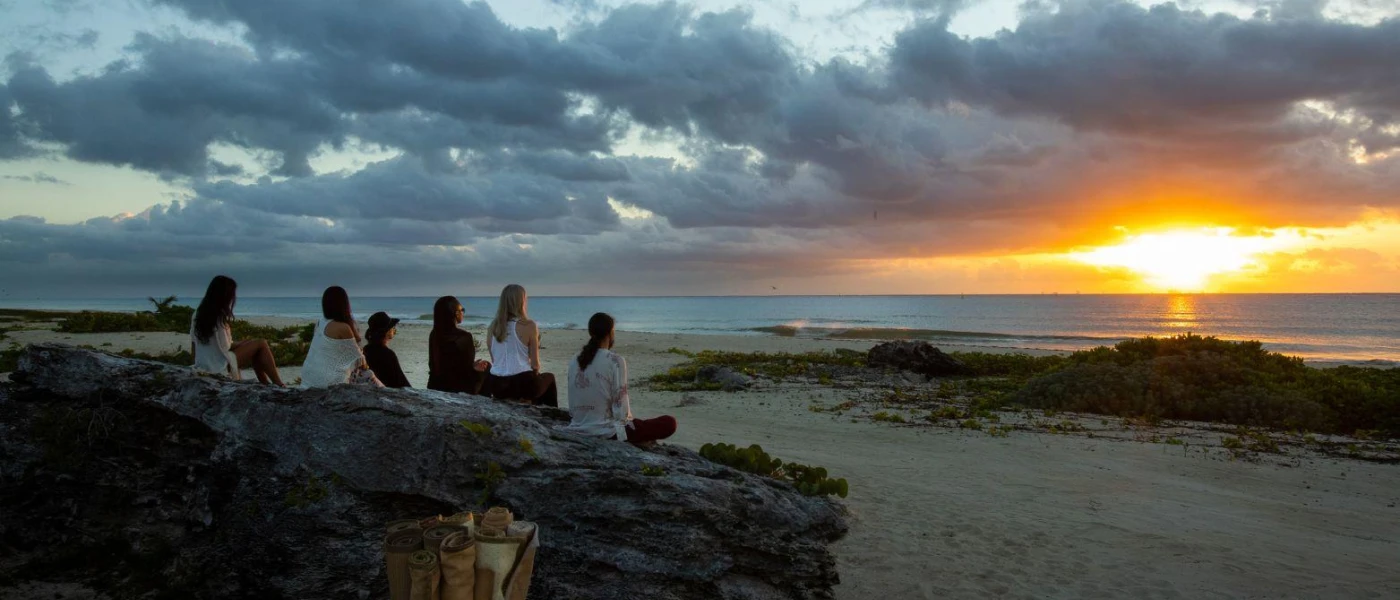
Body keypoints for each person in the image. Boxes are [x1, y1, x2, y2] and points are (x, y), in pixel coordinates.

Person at [563, 313, 676, 444]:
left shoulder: (574, 360)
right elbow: (621, 410)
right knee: (669, 422)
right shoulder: (615, 360)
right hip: (606, 431)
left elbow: (572, 407)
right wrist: (625, 435)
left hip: (578, 427)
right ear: (611, 333)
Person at [189, 275, 284, 385]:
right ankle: (279, 384)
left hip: (204, 366)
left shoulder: (197, 313)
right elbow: (226, 347)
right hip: (221, 366)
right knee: (261, 343)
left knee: (254, 344)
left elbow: (194, 343)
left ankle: (265, 383)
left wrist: (198, 363)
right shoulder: (218, 317)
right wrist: (243, 344)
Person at [485, 284, 557, 406]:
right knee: (549, 378)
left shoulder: (492, 327)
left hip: (496, 384)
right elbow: (535, 364)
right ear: (521, 301)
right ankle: (551, 419)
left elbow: (496, 361)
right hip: (522, 383)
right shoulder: (528, 325)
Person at [301, 286, 380, 388]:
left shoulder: (320, 323)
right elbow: (359, 360)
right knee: (368, 374)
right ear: (344, 305)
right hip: (328, 384)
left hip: (308, 378)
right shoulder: (342, 327)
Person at [427, 296, 491, 394]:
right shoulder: (464, 337)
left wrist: (472, 366)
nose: (463, 313)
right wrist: (474, 367)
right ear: (456, 314)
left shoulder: (434, 334)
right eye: (462, 310)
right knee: (487, 366)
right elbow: (466, 372)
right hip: (458, 388)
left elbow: (442, 365)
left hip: (435, 385)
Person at [363, 311, 411, 388]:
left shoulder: (366, 350)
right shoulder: (388, 354)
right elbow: (402, 381)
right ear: (387, 332)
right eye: (393, 327)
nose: (394, 329)